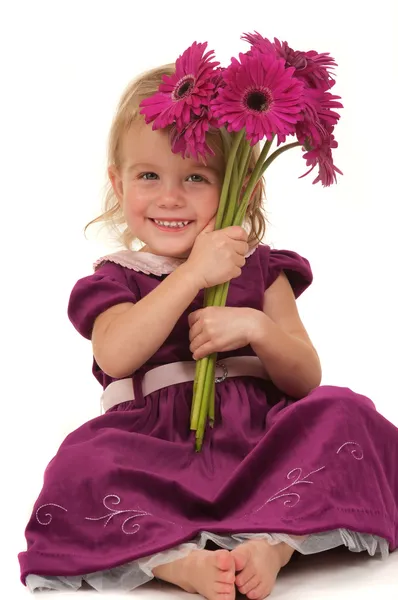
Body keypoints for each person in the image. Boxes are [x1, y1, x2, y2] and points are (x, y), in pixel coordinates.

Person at [18, 64, 398, 600]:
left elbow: (306, 376)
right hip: (154, 449)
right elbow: (118, 354)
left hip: (258, 444)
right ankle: (174, 560)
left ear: (241, 187)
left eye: (195, 177)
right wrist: (193, 274)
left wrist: (259, 329)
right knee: (80, 462)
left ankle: (274, 541)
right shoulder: (114, 277)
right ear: (117, 182)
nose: (170, 198)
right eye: (148, 176)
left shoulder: (263, 269)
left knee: (345, 410)